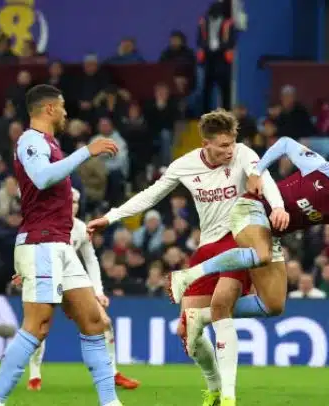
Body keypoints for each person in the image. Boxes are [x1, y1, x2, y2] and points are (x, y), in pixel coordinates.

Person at [87, 109, 285, 406]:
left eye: (231, 143)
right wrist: (111, 217)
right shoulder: (185, 165)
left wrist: (278, 206)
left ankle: (230, 397)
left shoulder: (244, 154)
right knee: (187, 330)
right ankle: (215, 388)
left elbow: (265, 179)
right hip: (208, 246)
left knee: (221, 306)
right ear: (205, 143)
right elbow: (150, 195)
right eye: (222, 146)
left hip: (239, 239)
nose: (229, 150)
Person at [165, 137, 329, 384]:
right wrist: (257, 171)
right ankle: (188, 277)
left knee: (274, 304)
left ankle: (200, 316)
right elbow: (285, 143)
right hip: (251, 209)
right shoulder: (318, 167)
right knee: (259, 257)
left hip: (268, 233)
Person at [0, 84, 121, 406]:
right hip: (40, 243)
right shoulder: (30, 141)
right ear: (49, 109)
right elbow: (43, 178)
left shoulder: (50, 143)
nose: (66, 112)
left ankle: (111, 403)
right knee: (38, 326)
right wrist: (88, 151)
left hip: (60, 244)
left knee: (94, 320)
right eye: (62, 107)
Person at [23, 188, 139, 391]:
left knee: (104, 322)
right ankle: (34, 376)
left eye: (76, 202)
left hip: (73, 282)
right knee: (39, 329)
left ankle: (112, 373)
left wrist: (99, 291)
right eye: (70, 201)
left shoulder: (80, 228)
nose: (73, 205)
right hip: (46, 280)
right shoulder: (44, 223)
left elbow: (91, 260)